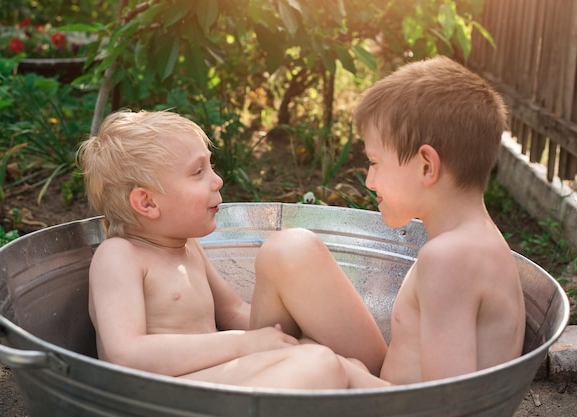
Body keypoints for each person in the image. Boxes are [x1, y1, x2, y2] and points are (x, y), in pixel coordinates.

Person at [251, 55, 526, 385]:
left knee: (306, 361)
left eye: (375, 162)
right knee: (287, 251)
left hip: (399, 406)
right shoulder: (469, 241)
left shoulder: (450, 259)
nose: (369, 180)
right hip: (389, 387)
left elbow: (448, 404)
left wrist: (339, 369)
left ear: (427, 166)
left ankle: (232, 387)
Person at [77, 109, 386, 389]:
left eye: (211, 167)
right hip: (169, 394)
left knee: (342, 363)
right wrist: (243, 345)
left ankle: (406, 400)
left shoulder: (188, 248)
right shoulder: (119, 256)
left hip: (215, 377)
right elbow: (125, 355)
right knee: (320, 364)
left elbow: (234, 312)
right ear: (147, 202)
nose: (217, 180)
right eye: (198, 172)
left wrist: (284, 340)